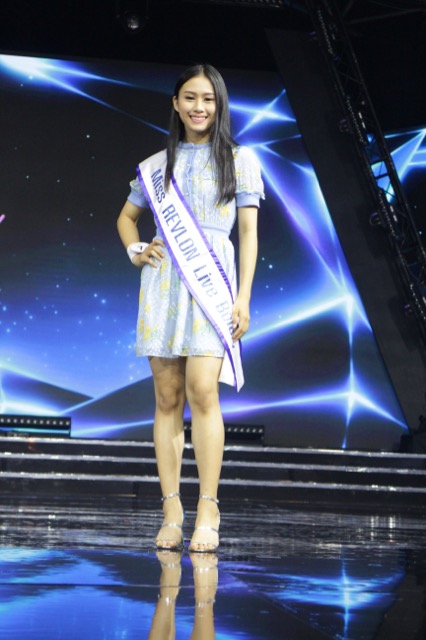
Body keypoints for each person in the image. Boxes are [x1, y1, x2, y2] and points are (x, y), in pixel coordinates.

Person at [117, 63, 264, 553]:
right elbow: (126, 217)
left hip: (213, 285)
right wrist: (136, 249)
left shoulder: (241, 160)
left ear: (219, 105)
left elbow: (248, 233)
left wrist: (243, 296)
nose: (199, 107)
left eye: (208, 99)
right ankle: (171, 510)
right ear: (176, 104)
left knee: (203, 391)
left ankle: (207, 507)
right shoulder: (156, 165)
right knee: (167, 398)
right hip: (164, 285)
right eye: (190, 98)